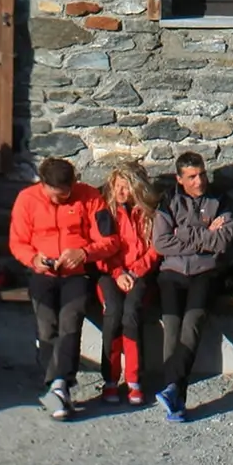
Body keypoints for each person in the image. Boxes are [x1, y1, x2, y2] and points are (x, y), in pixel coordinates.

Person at [8, 157, 106, 418]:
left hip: (78, 274)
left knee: (70, 321)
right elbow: (17, 242)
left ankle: (59, 384)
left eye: (65, 196)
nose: (60, 201)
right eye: (54, 196)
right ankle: (57, 386)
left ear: (74, 184)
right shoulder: (27, 200)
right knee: (46, 324)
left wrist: (85, 252)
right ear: (43, 185)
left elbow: (109, 240)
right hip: (43, 273)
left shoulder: (90, 197)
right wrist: (33, 259)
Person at [144, 152, 233, 423]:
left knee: (192, 323)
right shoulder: (168, 202)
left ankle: (173, 391)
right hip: (171, 273)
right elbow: (161, 243)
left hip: (204, 273)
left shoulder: (219, 201)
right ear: (180, 179)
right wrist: (205, 235)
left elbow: (223, 241)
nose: (200, 181)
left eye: (202, 174)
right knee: (171, 327)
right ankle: (176, 394)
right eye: (192, 177)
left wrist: (183, 234)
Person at [91, 164, 165, 406]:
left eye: (127, 187)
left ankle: (134, 379)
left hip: (139, 274)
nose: (122, 192)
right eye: (118, 186)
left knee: (132, 313)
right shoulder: (104, 212)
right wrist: (118, 272)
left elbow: (155, 249)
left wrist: (134, 272)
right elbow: (100, 248)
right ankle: (110, 379)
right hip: (110, 274)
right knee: (113, 313)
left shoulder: (148, 214)